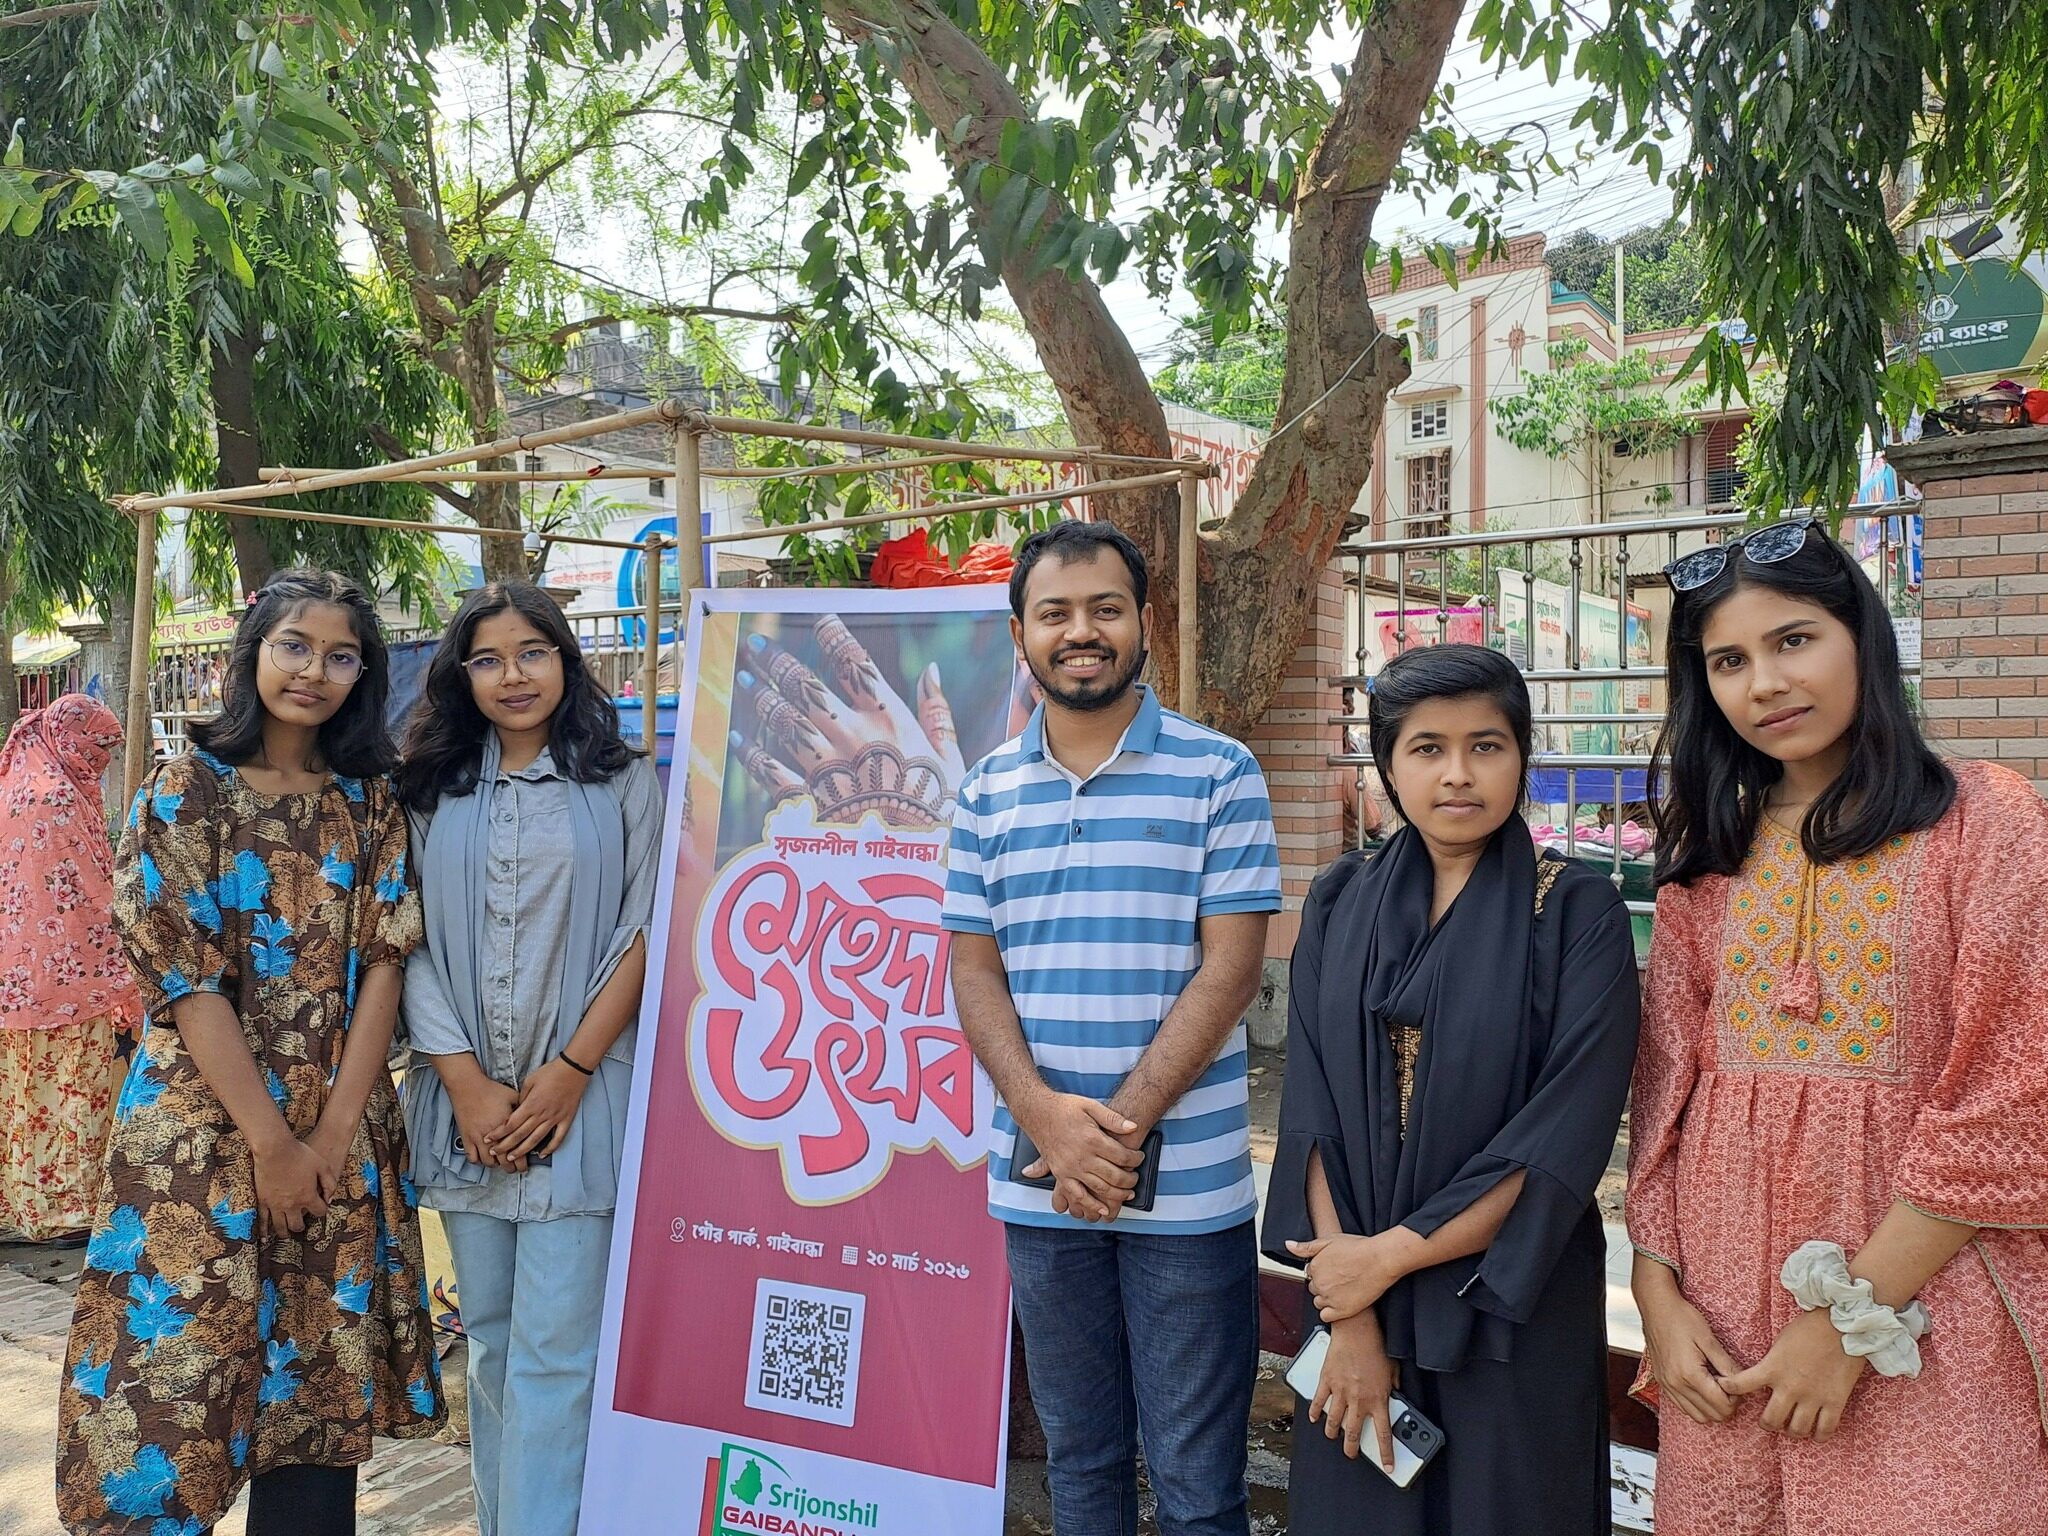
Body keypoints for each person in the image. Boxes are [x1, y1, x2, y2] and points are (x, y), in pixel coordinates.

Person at [1629, 517, 2048, 1534]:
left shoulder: (1985, 823)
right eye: (1728, 661)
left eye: (1793, 640)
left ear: (1861, 633)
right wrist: (1656, 1296)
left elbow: (2013, 1099)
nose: (1764, 684)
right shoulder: (1707, 860)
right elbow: (1662, 1099)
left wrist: (1848, 1322)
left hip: (1930, 1305)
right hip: (1723, 1321)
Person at [55, 570, 445, 1536]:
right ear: (253, 652)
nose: (314, 671)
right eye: (294, 645)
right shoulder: (182, 788)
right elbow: (187, 982)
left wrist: (331, 1138)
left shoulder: (372, 801)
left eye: (341, 655)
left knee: (313, 1400)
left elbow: (386, 964)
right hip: (198, 1136)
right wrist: (272, 1144)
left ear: (364, 674)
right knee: (167, 1393)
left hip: (337, 1134)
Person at [942, 520, 1281, 1536]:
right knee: (1081, 1466)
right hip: (1037, 1184)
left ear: (1142, 621)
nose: (1079, 632)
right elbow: (973, 971)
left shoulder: (1219, 772)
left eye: (1104, 609)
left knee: (1196, 1487)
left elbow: (1232, 969)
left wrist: (1111, 1137)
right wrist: (1047, 1122)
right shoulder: (983, 792)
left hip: (1188, 1197)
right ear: (1020, 635)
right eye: (1054, 613)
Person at [1264, 645, 1639, 1534]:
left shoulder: (1576, 912)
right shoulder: (1339, 901)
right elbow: (1310, 1106)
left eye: (1487, 746)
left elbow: (1562, 1135)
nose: (1458, 773)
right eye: (1428, 748)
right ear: (1389, 764)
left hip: (1505, 1298)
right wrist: (1352, 1312)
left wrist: (1388, 1258)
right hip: (1356, 1295)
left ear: (1522, 756)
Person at [396, 582, 662, 1536]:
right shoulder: (428, 788)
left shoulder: (625, 780)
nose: (513, 675)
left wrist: (572, 1071)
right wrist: (465, 1082)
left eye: (532, 653)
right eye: (488, 659)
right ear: (461, 675)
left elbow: (645, 930)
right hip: (464, 1108)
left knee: (558, 1354)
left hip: (580, 1104)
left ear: (565, 661)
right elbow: (405, 940)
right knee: (493, 1345)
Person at [0, 695, 142, 1241]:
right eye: (97, 746)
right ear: (69, 739)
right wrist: (125, 955)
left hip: (20, 974)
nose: (102, 760)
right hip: (70, 973)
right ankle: (69, 1209)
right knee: (74, 1085)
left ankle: (25, 1203)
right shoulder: (55, 796)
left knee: (28, 1089)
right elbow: (84, 891)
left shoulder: (18, 782)